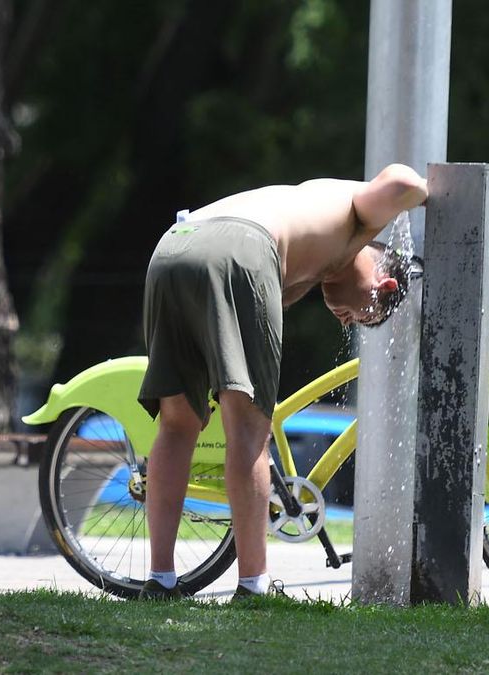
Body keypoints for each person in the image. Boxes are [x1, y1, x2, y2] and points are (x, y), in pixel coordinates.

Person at [136, 163, 429, 600]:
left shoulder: (310, 256)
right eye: (363, 315)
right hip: (240, 246)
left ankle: (160, 581)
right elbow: (400, 181)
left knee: (177, 424)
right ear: (384, 285)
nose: (349, 320)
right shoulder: (359, 223)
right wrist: (440, 192)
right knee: (250, 430)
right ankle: (254, 588)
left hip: (174, 245)